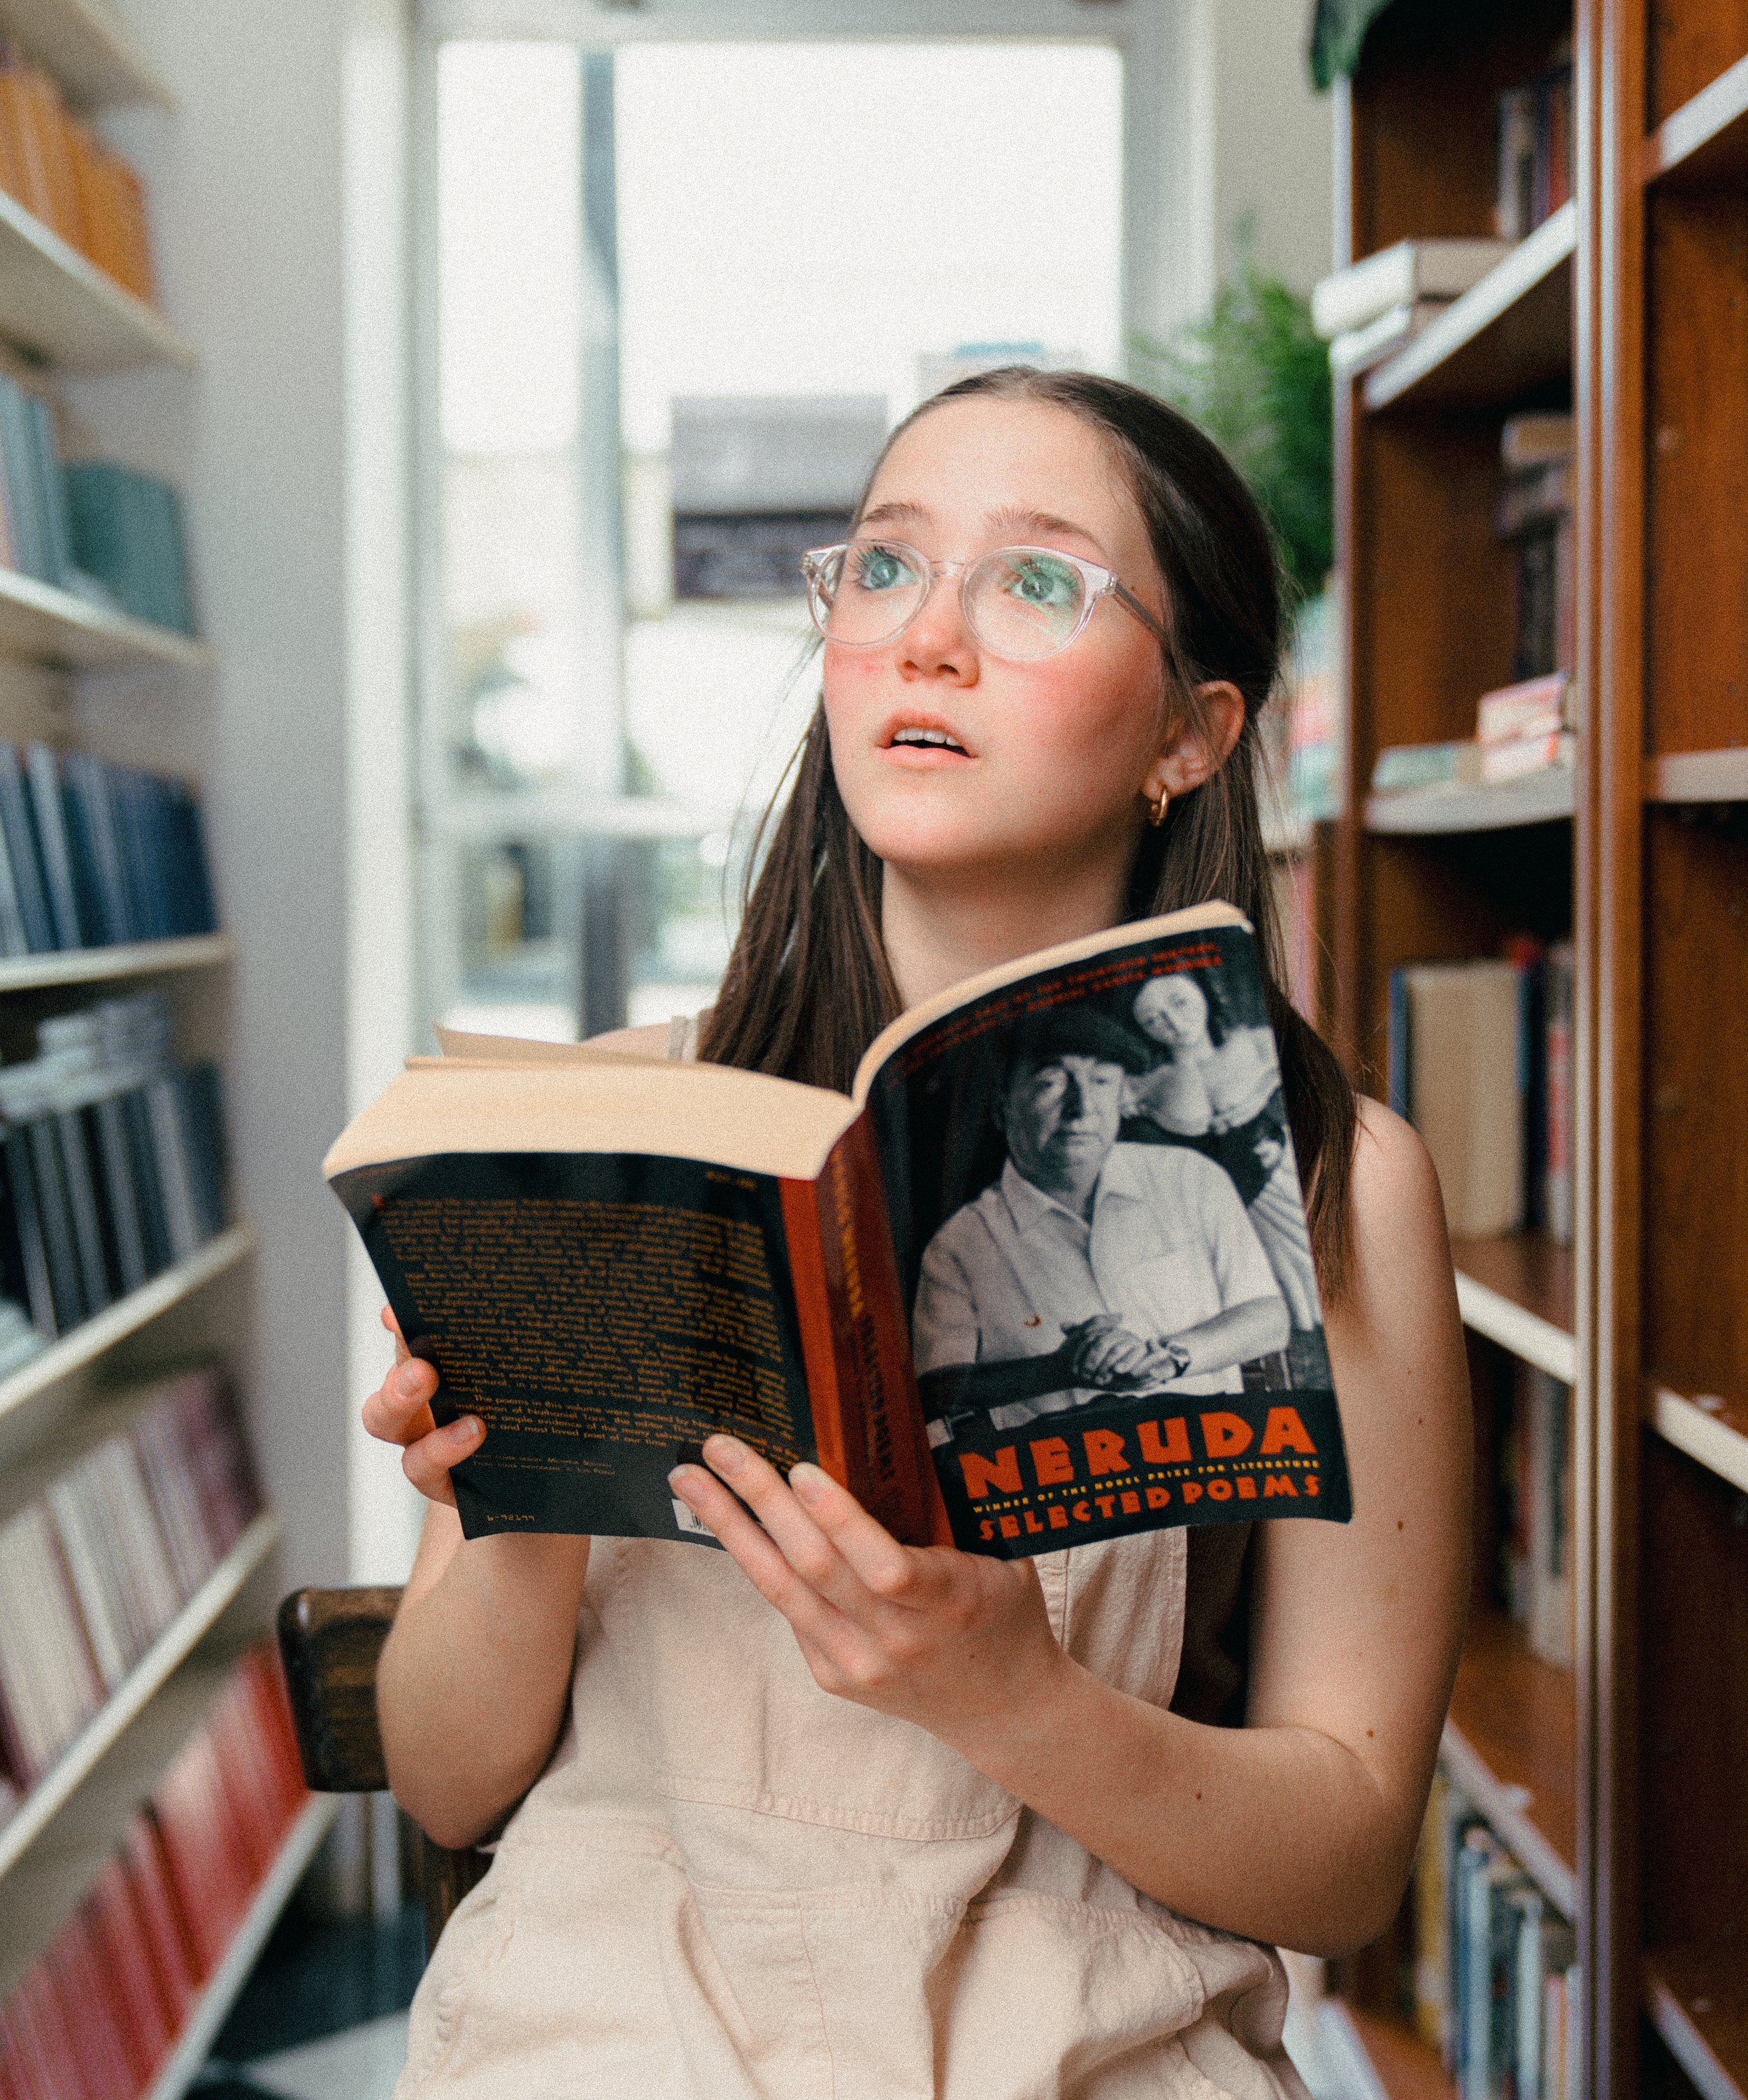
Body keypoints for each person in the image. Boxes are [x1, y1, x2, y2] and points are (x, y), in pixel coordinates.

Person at [361, 368, 1471, 2100]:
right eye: (883, 567)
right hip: (608, 2028)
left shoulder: (1332, 1177)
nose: (926, 637)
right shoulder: (614, 1119)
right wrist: (507, 1499)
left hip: (1087, 2040)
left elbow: (1342, 1858)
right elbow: (442, 1782)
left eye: (1037, 581)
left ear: (1194, 731)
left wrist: (1011, 1694)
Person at [911, 1002, 1289, 1432]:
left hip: (1210, 1462)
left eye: (1102, 1081)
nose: (1081, 1107)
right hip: (1064, 1485)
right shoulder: (960, 1243)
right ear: (1003, 1108)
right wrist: (1060, 1370)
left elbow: (1268, 1317)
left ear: (1122, 1098)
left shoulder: (1191, 1177)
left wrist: (1169, 1359)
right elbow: (934, 1389)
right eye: (1050, 1083)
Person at [1126, 971, 1324, 1332]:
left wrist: (1281, 1139)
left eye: (1180, 1002)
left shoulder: (1257, 1044)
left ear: (1203, 991)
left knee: (1320, 1265)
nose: (1172, 1022)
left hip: (1282, 1177)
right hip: (1226, 1201)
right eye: (1153, 1020)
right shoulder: (1148, 1085)